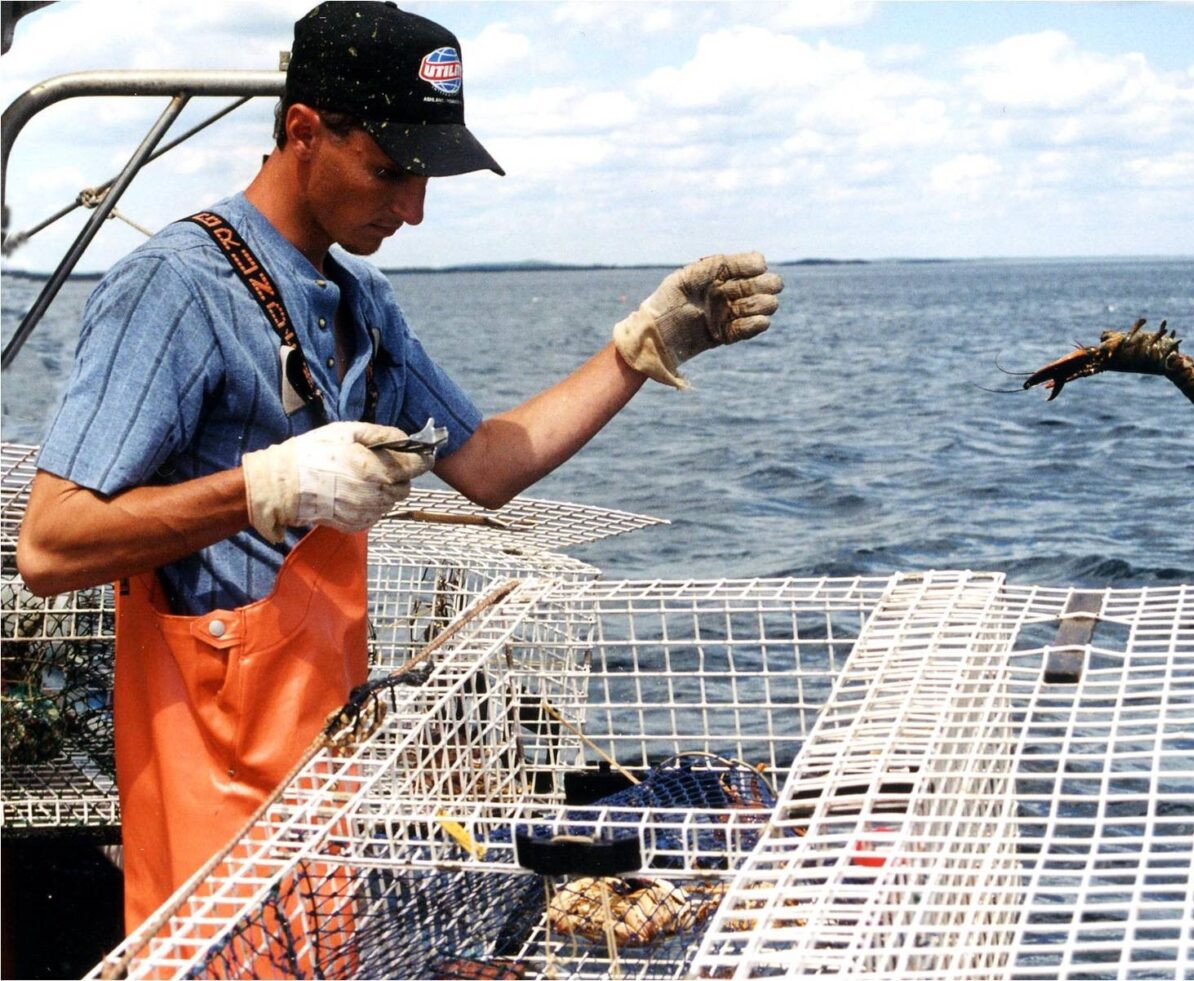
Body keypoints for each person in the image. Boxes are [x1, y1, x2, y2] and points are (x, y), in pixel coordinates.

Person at [15, 0, 783, 934]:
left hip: (324, 787)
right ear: (304, 130)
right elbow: (52, 547)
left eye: (427, 177)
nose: (413, 208)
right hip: (210, 793)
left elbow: (491, 463)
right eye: (390, 170)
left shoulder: (357, 301)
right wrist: (267, 487)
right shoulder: (175, 288)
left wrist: (642, 345)